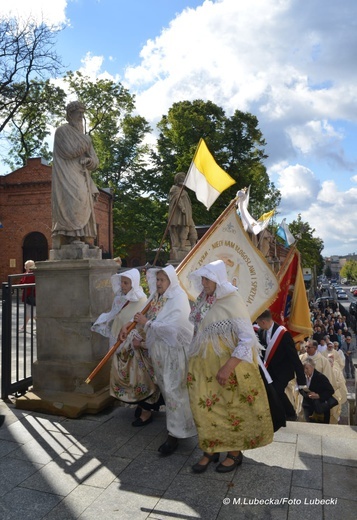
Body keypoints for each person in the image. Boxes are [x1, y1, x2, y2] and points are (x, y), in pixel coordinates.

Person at [187, 260, 274, 474]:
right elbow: (197, 327)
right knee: (205, 407)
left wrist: (227, 368)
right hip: (203, 364)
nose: (203, 282)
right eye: (203, 278)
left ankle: (234, 453)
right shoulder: (203, 299)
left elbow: (247, 339)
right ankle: (211, 449)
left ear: (217, 278)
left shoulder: (231, 298)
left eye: (207, 278)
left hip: (228, 365)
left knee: (231, 407)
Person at [124, 264, 196, 455]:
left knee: (174, 393)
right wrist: (133, 329)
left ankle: (174, 435)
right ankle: (179, 427)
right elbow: (144, 317)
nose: (158, 283)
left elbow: (174, 328)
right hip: (159, 353)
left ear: (171, 281)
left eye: (162, 280)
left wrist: (146, 323)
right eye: (157, 279)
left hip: (174, 353)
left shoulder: (178, 298)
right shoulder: (156, 297)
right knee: (167, 390)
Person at [91, 269, 158, 409]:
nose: (123, 285)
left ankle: (145, 409)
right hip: (119, 340)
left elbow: (142, 325)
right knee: (124, 375)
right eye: (122, 282)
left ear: (134, 283)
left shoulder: (142, 301)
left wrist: (134, 337)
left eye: (126, 282)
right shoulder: (120, 298)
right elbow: (115, 314)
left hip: (134, 347)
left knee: (138, 378)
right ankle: (133, 403)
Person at [52, 100, 99, 248]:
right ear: (69, 115)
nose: (80, 116)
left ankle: (83, 236)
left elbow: (96, 161)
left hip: (82, 175)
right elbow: (69, 151)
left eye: (82, 113)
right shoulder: (62, 132)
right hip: (67, 175)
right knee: (73, 203)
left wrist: (90, 161)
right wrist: (86, 142)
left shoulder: (84, 137)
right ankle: (71, 237)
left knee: (84, 202)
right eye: (77, 113)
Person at [256, 309, 306, 421]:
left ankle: (291, 414)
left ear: (263, 321)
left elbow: (294, 357)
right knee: (271, 392)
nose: (257, 325)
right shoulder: (261, 332)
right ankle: (278, 414)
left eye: (258, 322)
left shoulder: (283, 334)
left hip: (284, 371)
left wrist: (301, 380)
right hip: (271, 371)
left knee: (277, 391)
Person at [168, 172, 197, 258]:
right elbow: (177, 199)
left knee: (192, 229)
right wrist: (182, 208)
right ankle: (182, 246)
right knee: (185, 228)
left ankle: (193, 246)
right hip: (180, 214)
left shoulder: (183, 191)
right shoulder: (174, 189)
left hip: (187, 214)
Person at [300, 358, 337, 424]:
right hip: (308, 407)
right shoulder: (302, 377)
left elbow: (330, 390)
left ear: (312, 367)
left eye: (307, 368)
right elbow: (300, 388)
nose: (305, 370)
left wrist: (318, 396)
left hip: (320, 407)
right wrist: (307, 394)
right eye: (304, 368)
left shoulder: (320, 377)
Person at [19, 260, 36, 331]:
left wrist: (21, 285)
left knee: (29, 312)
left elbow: (26, 283)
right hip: (28, 295)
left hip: (31, 295)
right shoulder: (26, 274)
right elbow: (22, 282)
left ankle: (24, 327)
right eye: (27, 266)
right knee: (32, 312)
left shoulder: (32, 274)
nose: (27, 267)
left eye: (30, 266)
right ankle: (40, 325)